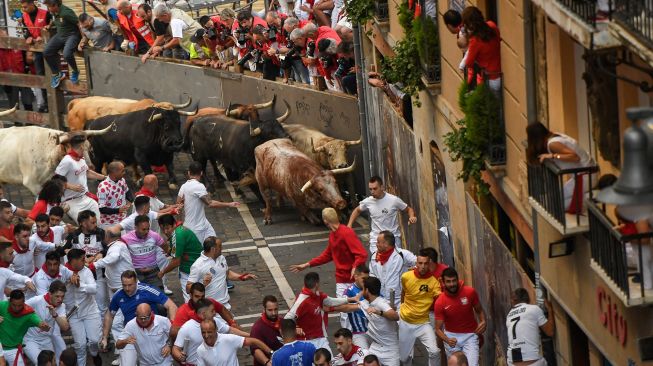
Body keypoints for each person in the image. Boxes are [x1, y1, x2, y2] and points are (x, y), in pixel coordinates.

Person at [290, 207, 367, 328]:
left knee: (360, 306)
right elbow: (328, 255)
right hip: (342, 279)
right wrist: (307, 264)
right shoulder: (333, 235)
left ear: (325, 221)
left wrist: (355, 267)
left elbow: (361, 254)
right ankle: (349, 335)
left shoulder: (346, 233)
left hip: (354, 280)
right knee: (344, 311)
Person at [101, 270, 177, 363]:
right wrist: (105, 337)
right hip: (131, 333)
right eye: (124, 285)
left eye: (130, 285)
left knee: (156, 360)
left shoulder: (148, 290)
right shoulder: (118, 295)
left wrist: (172, 327)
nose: (127, 288)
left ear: (136, 281)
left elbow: (172, 306)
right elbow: (109, 315)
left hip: (151, 330)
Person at [526, 122, 595, 213]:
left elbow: (575, 157)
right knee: (553, 200)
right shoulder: (554, 136)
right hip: (585, 173)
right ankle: (588, 196)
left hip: (586, 176)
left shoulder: (552, 144)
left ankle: (593, 198)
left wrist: (553, 156)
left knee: (554, 205)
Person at [333, 277, 399, 366]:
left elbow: (395, 316)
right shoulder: (366, 303)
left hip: (390, 352)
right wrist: (329, 308)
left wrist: (378, 312)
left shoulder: (382, 303)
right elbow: (347, 307)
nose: (361, 291)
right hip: (375, 348)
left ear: (367, 290)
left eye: (362, 289)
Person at [347, 176, 417, 253]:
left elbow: (408, 209)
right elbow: (357, 210)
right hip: (376, 239)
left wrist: (412, 217)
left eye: (375, 188)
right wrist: (349, 225)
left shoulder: (394, 200)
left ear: (382, 187)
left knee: (395, 264)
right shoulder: (368, 201)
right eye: (370, 189)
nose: (372, 191)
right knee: (378, 263)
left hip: (393, 238)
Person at [284, 272, 348, 353]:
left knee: (329, 362)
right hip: (306, 341)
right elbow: (287, 318)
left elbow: (331, 301)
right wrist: (295, 328)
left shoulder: (319, 295)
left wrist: (348, 299)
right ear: (317, 284)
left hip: (321, 339)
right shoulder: (302, 300)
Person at [434, 268, 487, 366]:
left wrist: (483, 321)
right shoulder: (440, 302)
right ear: (443, 283)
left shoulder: (470, 292)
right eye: (448, 282)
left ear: (457, 279)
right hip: (451, 337)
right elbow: (437, 329)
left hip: (470, 335)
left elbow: (479, 310)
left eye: (454, 280)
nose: (452, 284)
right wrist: (447, 339)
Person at [177, 161, 240, 243]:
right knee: (202, 251)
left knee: (215, 244)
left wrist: (179, 223)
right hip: (197, 228)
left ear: (189, 173)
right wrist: (229, 204)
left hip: (201, 224)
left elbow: (177, 206)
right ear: (201, 173)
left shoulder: (183, 187)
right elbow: (210, 203)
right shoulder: (199, 186)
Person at [172, 298, 249, 365]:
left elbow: (231, 330)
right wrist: (179, 356)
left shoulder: (214, 321)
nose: (215, 313)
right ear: (203, 314)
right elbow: (175, 348)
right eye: (212, 311)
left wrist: (250, 335)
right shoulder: (187, 328)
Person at [186, 237, 257, 309]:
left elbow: (227, 273)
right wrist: (202, 284)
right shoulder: (198, 265)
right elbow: (188, 288)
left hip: (225, 305)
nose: (221, 248)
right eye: (220, 246)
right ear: (213, 249)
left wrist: (242, 277)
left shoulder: (221, 258)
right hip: (209, 308)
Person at [398, 249, 441, 366]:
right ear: (416, 264)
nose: (422, 266)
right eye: (420, 263)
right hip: (406, 322)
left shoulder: (434, 282)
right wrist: (402, 306)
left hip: (423, 323)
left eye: (425, 263)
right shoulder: (406, 276)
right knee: (403, 358)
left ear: (429, 264)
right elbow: (403, 293)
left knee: (434, 351)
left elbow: (441, 299)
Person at [63, 249, 101, 366]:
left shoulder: (87, 271)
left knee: (94, 341)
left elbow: (94, 289)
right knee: (80, 346)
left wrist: (80, 285)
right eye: (82, 259)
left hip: (90, 311)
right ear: (73, 261)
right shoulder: (63, 272)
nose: (85, 261)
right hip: (73, 314)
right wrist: (67, 282)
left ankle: (95, 354)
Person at [54, 135, 104, 224]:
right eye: (86, 145)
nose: (88, 148)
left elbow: (87, 172)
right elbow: (55, 180)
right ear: (82, 146)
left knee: (100, 222)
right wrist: (70, 186)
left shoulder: (82, 158)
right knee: (86, 225)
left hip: (85, 197)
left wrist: (104, 177)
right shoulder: (67, 161)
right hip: (71, 201)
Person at [157, 214, 203, 302]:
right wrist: (172, 252)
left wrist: (162, 272)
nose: (166, 232)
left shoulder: (178, 235)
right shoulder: (179, 230)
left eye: (168, 228)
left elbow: (176, 262)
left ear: (174, 225)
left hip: (189, 270)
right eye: (163, 229)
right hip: (195, 266)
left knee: (190, 301)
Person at [0, 289, 50, 366]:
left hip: (14, 350)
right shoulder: (2, 305)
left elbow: (40, 323)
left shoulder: (29, 314)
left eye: (19, 305)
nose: (16, 308)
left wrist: (44, 327)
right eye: (14, 305)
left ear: (24, 302)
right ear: (9, 301)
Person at [506, 288, 555, 366]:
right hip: (533, 362)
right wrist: (550, 310)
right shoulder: (534, 309)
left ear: (514, 301)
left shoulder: (509, 315)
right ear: (528, 299)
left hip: (512, 362)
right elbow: (550, 332)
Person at [170, 282, 237, 338]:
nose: (200, 299)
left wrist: (231, 322)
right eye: (197, 296)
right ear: (190, 295)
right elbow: (174, 333)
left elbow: (222, 309)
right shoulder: (183, 311)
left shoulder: (209, 303)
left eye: (202, 296)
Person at [24, 280, 70, 364]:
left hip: (46, 339)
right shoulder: (36, 300)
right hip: (30, 340)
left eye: (62, 296)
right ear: (50, 294)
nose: (60, 299)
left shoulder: (62, 306)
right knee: (42, 363)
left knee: (53, 363)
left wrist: (55, 314)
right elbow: (18, 308)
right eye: (57, 296)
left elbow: (65, 327)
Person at [196, 318, 273, 366]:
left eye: (209, 332)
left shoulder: (228, 339)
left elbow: (254, 341)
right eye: (203, 332)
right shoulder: (200, 350)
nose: (206, 336)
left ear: (216, 330)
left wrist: (272, 353)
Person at [368, 231, 416, 307]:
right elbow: (372, 275)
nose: (376, 244)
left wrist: (411, 275)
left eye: (378, 242)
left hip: (398, 299)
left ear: (386, 244)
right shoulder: (374, 256)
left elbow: (418, 263)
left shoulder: (402, 254)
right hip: (380, 299)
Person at [458, 6, 501, 91]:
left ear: (470, 24)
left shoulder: (475, 40)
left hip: (488, 78)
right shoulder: (492, 25)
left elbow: (469, 62)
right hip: (499, 74)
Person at [20, 0, 52, 113]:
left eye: (25, 7)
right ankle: (46, 104)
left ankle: (54, 103)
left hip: (49, 48)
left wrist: (44, 36)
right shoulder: (24, 16)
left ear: (32, 4)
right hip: (36, 51)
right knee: (40, 75)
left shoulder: (46, 13)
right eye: (22, 7)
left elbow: (53, 29)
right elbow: (25, 29)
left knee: (52, 74)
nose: (24, 9)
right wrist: (27, 36)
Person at [121, 215, 168, 289]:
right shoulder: (126, 238)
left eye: (148, 229)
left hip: (154, 273)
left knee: (159, 296)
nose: (146, 232)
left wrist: (168, 253)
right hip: (136, 275)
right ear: (135, 228)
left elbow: (165, 246)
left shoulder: (154, 235)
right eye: (143, 229)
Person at [43, 0, 81, 88]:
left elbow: (79, 23)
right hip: (60, 34)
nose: (48, 9)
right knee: (47, 52)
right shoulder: (53, 12)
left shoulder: (66, 13)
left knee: (67, 54)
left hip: (72, 35)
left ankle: (75, 71)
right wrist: (49, 25)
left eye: (49, 6)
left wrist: (83, 39)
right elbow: (54, 19)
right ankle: (57, 74)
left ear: (55, 5)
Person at [97, 161, 133, 229]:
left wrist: (131, 201)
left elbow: (127, 191)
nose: (124, 173)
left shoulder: (122, 180)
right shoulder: (103, 187)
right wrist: (118, 210)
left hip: (123, 219)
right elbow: (102, 209)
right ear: (114, 173)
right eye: (122, 171)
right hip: (109, 224)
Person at [249, 295, 284, 365]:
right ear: (264, 309)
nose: (273, 313)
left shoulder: (283, 322)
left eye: (275, 309)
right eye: (270, 310)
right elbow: (256, 350)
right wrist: (267, 362)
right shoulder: (257, 328)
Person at [341, 265, 370, 348]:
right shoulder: (349, 291)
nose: (366, 281)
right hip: (359, 334)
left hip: (373, 332)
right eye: (363, 278)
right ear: (356, 277)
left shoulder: (370, 287)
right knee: (364, 357)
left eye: (367, 279)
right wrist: (361, 306)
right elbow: (343, 307)